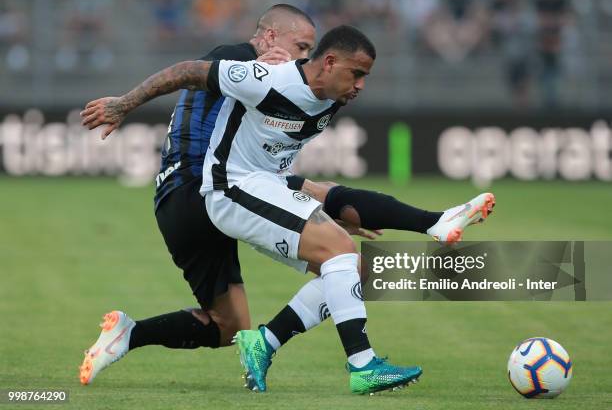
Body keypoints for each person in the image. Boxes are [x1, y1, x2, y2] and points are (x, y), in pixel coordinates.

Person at [80, 23, 496, 394]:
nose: (361, 85)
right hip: (227, 187)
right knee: (338, 248)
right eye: (357, 74)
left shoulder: (331, 94)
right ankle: (363, 364)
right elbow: (188, 71)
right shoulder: (264, 76)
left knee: (347, 265)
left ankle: (266, 341)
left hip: (263, 181)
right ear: (328, 62)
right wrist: (124, 104)